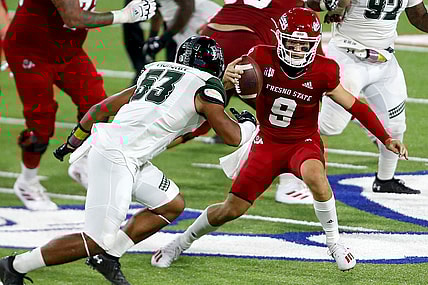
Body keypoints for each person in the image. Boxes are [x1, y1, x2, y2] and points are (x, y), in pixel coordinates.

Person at [150, 8, 409, 272]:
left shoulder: (325, 69)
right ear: (280, 38)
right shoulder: (259, 56)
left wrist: (385, 137)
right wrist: (224, 81)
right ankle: (180, 243)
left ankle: (334, 243)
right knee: (231, 209)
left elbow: (356, 106)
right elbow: (216, 95)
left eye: (304, 43)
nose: (297, 49)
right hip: (267, 144)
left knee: (316, 178)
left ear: (314, 44)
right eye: (292, 41)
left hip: (302, 142)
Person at [0, 35, 257, 285]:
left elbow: (100, 109)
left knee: (170, 205)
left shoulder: (156, 73)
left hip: (122, 152)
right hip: (117, 156)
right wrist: (248, 123)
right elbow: (232, 136)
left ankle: (108, 257)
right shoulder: (205, 88)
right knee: (95, 239)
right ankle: (14, 266)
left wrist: (73, 142)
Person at [179, 0, 346, 205]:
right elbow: (321, 7)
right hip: (247, 41)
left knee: (197, 112)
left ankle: (144, 147)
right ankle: (290, 186)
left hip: (212, 35)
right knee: (293, 118)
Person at [2, 0, 156, 210]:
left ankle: (82, 164)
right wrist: (125, 15)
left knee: (98, 104)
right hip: (31, 51)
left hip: (67, 49)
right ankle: (27, 182)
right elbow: (74, 18)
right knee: (41, 124)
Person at [315, 0, 428, 194]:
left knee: (395, 126)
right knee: (329, 127)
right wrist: (334, 4)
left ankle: (385, 180)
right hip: (347, 58)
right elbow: (312, 3)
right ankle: (272, 135)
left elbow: (419, 17)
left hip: (384, 60)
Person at [142, 0, 222, 62]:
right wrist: (152, 39)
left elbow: (188, 7)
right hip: (178, 25)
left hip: (195, 18)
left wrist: (163, 39)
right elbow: (156, 12)